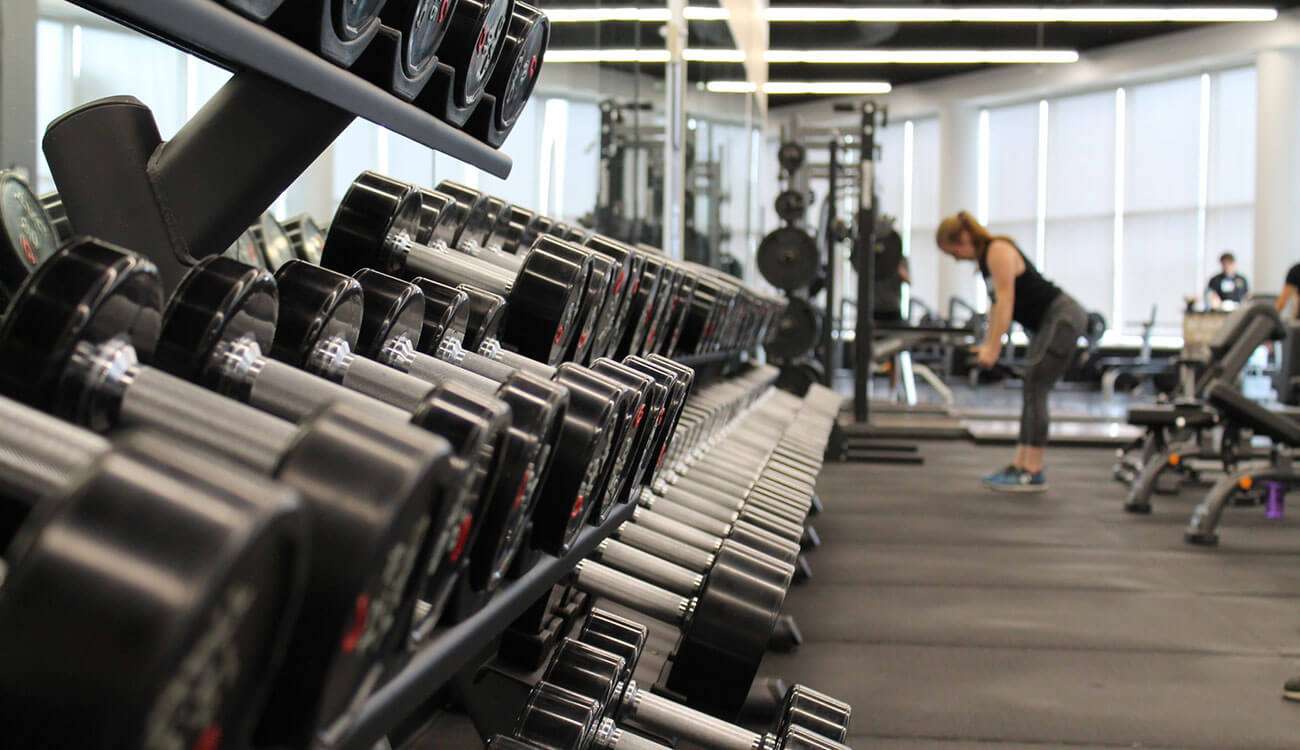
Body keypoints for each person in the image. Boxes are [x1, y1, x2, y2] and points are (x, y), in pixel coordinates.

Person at [935, 211, 1087, 493]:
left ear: (964, 238)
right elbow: (996, 307)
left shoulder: (998, 250)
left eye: (953, 251)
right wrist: (988, 343)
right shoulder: (986, 261)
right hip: (1047, 323)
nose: (955, 258)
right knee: (1031, 386)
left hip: (1062, 318)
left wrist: (993, 348)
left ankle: (1033, 469)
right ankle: (1021, 464)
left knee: (1036, 386)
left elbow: (1006, 301)